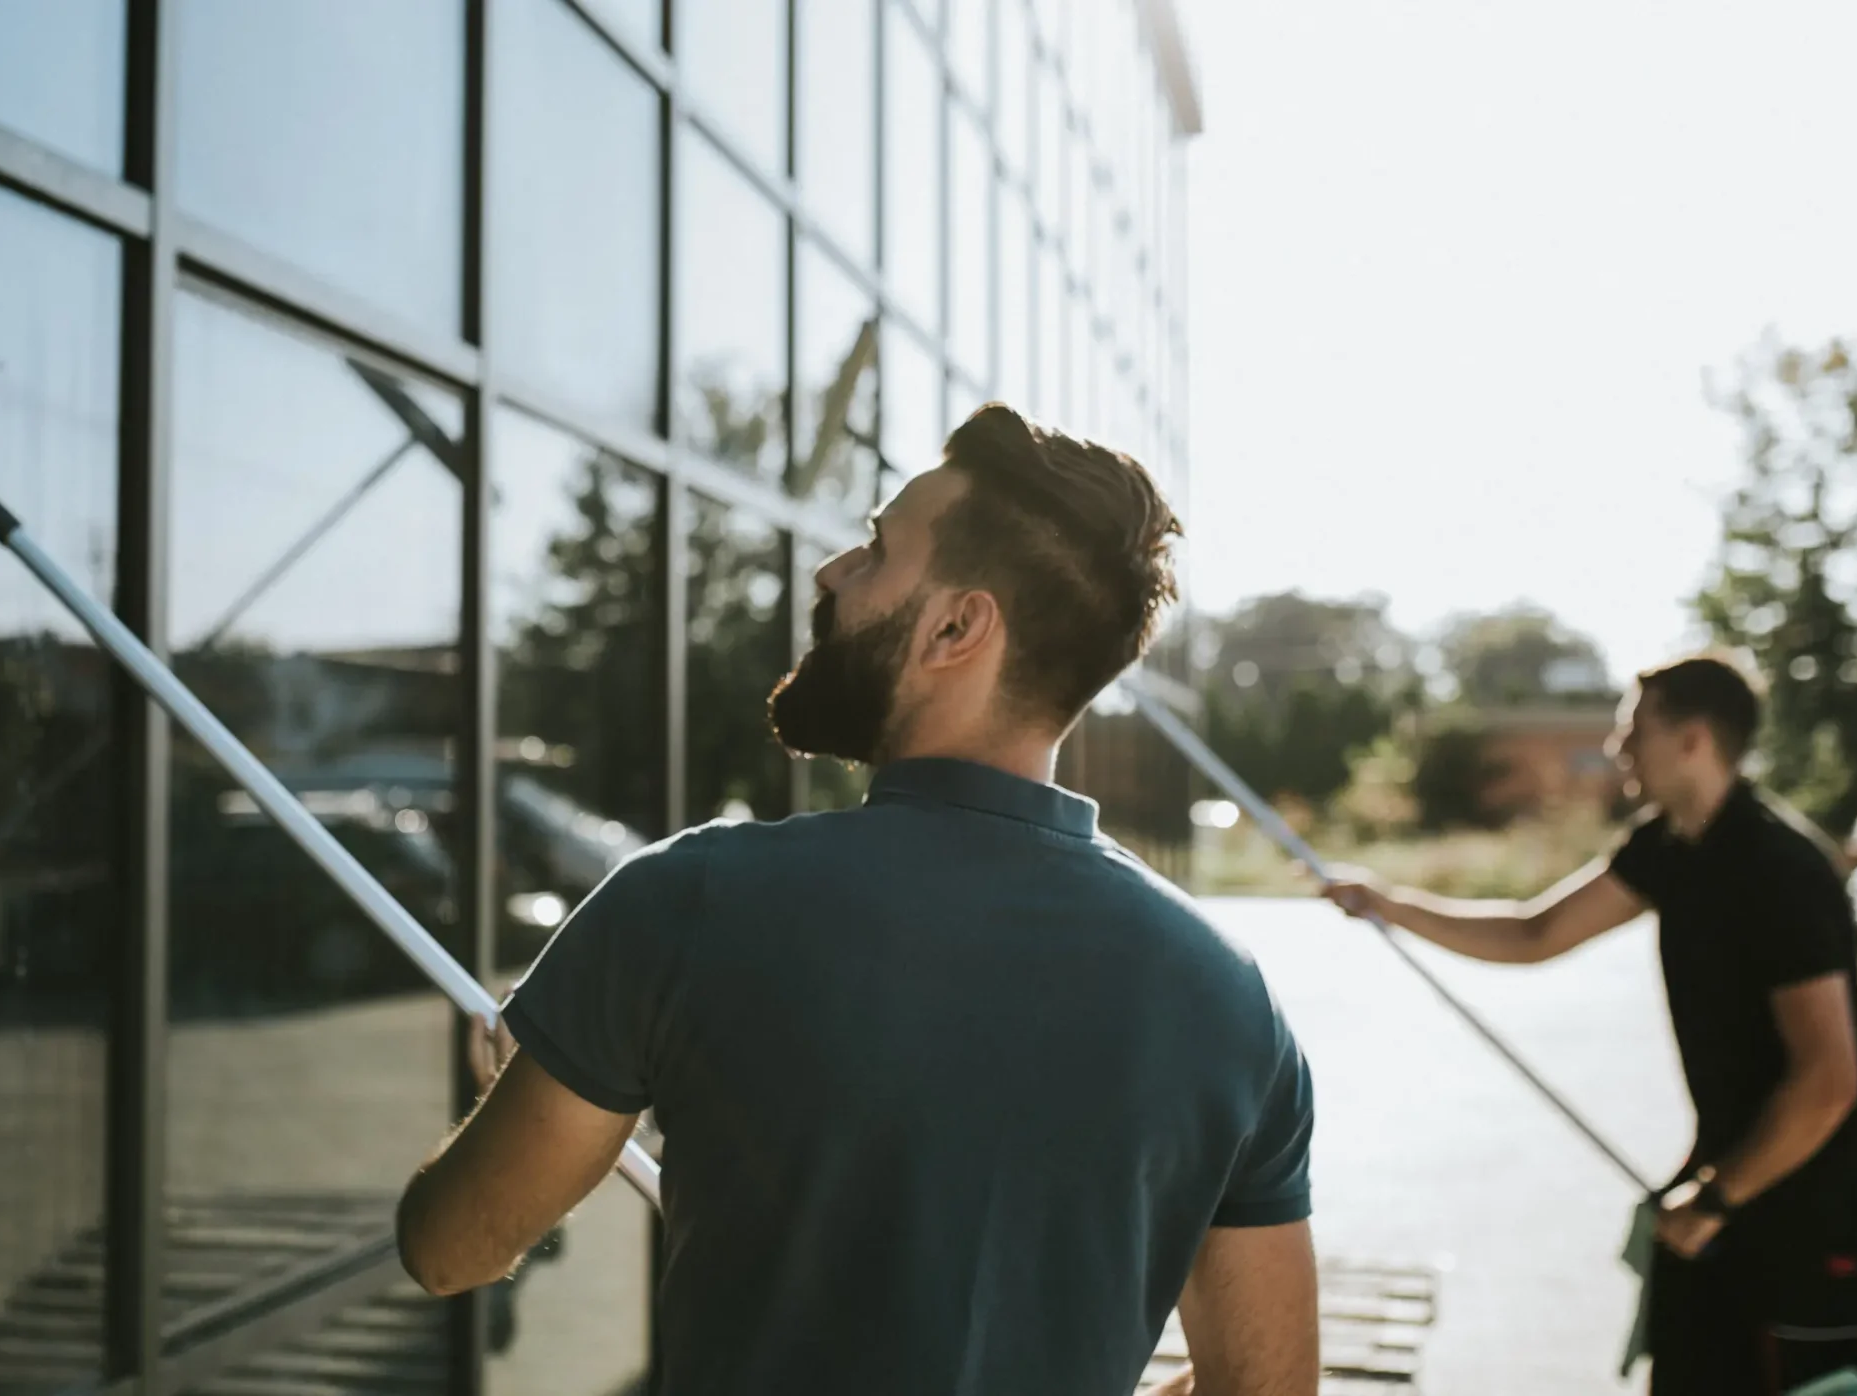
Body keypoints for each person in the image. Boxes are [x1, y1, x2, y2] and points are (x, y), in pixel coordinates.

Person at [397, 404, 1320, 1396]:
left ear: (957, 626)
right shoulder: (1227, 998)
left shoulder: (687, 902)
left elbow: (450, 1247)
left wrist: (519, 1094)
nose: (830, 572)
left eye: (875, 549)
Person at [1321, 653, 1857, 1396]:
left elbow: (1827, 1080)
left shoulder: (1780, 869)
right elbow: (1534, 933)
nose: (1619, 750)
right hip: (1717, 1181)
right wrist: (1386, 903)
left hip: (1807, 1208)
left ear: (1692, 740)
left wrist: (1719, 1198)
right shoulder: (1668, 846)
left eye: (1634, 732)